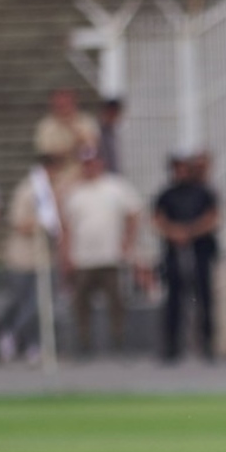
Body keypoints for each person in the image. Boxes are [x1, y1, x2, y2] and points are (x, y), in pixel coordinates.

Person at [60, 146, 144, 357]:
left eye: (93, 163)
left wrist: (128, 241)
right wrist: (66, 254)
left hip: (110, 256)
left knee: (116, 301)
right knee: (81, 303)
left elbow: (134, 214)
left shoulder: (115, 187)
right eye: (86, 164)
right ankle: (84, 343)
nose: (90, 167)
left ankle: (118, 341)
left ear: (100, 163)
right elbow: (66, 227)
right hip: (83, 258)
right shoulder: (74, 192)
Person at [153, 152, 219, 362]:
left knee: (204, 298)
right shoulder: (167, 194)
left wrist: (190, 232)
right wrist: (175, 233)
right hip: (173, 253)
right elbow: (158, 219)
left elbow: (212, 218)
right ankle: (172, 345)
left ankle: (207, 343)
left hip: (200, 251)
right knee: (173, 300)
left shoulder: (202, 192)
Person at [0, 156, 62, 365]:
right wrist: (42, 225)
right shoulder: (26, 190)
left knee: (41, 303)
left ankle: (32, 345)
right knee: (25, 303)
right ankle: (11, 336)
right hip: (22, 258)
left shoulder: (52, 192)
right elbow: (18, 223)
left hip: (44, 258)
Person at [33, 88, 100, 190]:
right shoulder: (46, 126)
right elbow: (47, 156)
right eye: (59, 103)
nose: (63, 106)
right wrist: (72, 148)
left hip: (85, 175)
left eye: (66, 102)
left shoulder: (86, 121)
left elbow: (92, 149)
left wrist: (73, 128)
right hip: (58, 177)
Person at [98, 98, 125, 175]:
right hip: (104, 175)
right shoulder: (97, 131)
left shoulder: (113, 131)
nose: (113, 115)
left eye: (115, 112)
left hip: (114, 175)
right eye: (110, 112)